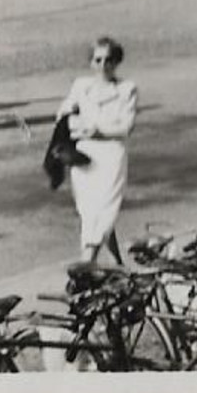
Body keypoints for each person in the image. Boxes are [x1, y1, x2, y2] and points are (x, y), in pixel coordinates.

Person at [56, 37, 138, 263]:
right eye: (98, 60)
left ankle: (86, 262)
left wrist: (96, 131)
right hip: (83, 158)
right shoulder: (82, 86)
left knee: (106, 210)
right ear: (91, 63)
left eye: (109, 60)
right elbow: (63, 115)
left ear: (117, 62)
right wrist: (71, 118)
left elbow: (125, 127)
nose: (103, 65)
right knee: (90, 212)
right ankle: (117, 264)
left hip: (111, 156)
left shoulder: (126, 89)